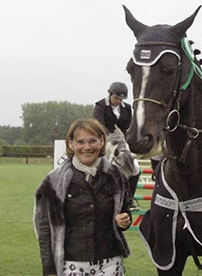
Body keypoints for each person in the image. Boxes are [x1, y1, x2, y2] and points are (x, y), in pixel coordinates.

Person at [34, 118, 132, 276]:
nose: (87, 147)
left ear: (101, 142)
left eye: (92, 141)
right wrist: (49, 270)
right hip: (70, 265)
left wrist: (124, 221)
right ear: (71, 144)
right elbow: (45, 232)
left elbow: (125, 210)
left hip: (110, 263)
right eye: (80, 142)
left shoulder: (116, 176)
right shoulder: (53, 181)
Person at [93, 82, 140, 202]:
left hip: (122, 141)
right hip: (105, 140)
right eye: (117, 98)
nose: (119, 101)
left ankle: (129, 198)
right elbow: (99, 126)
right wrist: (110, 141)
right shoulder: (100, 106)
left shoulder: (127, 108)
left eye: (122, 99)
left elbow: (128, 128)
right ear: (110, 93)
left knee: (135, 167)